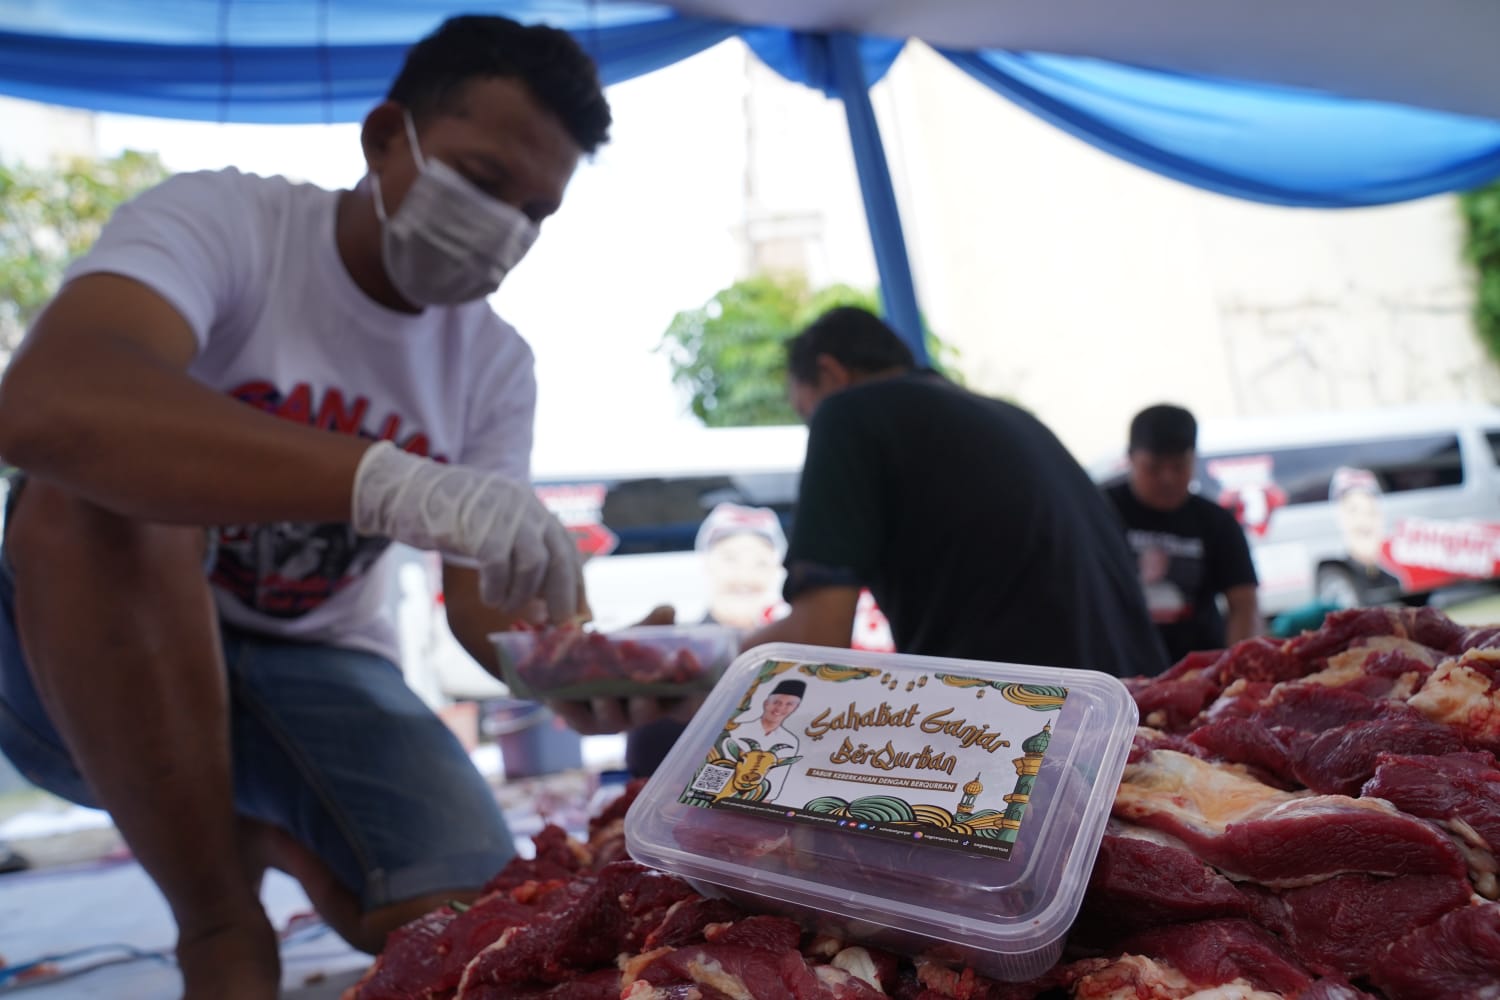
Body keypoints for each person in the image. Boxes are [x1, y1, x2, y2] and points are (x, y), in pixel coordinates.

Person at [0, 17, 609, 999]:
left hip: (318, 668)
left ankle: (257, 834)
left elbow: (480, 604)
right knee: (95, 494)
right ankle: (219, 921)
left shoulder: (494, 365)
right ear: (383, 139)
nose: (505, 229)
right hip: (78, 672)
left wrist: (572, 662)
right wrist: (390, 478)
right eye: (484, 181)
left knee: (484, 927)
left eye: (535, 211)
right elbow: (45, 406)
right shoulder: (227, 223)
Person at [742, 306, 1165, 677]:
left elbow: (818, 641)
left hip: (1033, 731)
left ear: (831, 373)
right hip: (1142, 711)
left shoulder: (847, 413)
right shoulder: (1013, 416)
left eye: (806, 412)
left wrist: (718, 659)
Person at [1105, 404, 1261, 667]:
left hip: (1197, 670)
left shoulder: (1217, 521)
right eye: (1153, 468)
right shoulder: (1100, 511)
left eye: (1179, 467)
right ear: (1130, 459)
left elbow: (1244, 603)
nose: (1167, 479)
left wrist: (1236, 670)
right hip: (1117, 670)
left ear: (1193, 460)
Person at [717, 679, 805, 801]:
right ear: (766, 703)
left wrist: (765, 803)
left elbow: (777, 778)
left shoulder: (791, 741)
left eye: (789, 704)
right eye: (776, 702)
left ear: (795, 708)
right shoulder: (736, 730)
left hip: (755, 799)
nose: (780, 708)